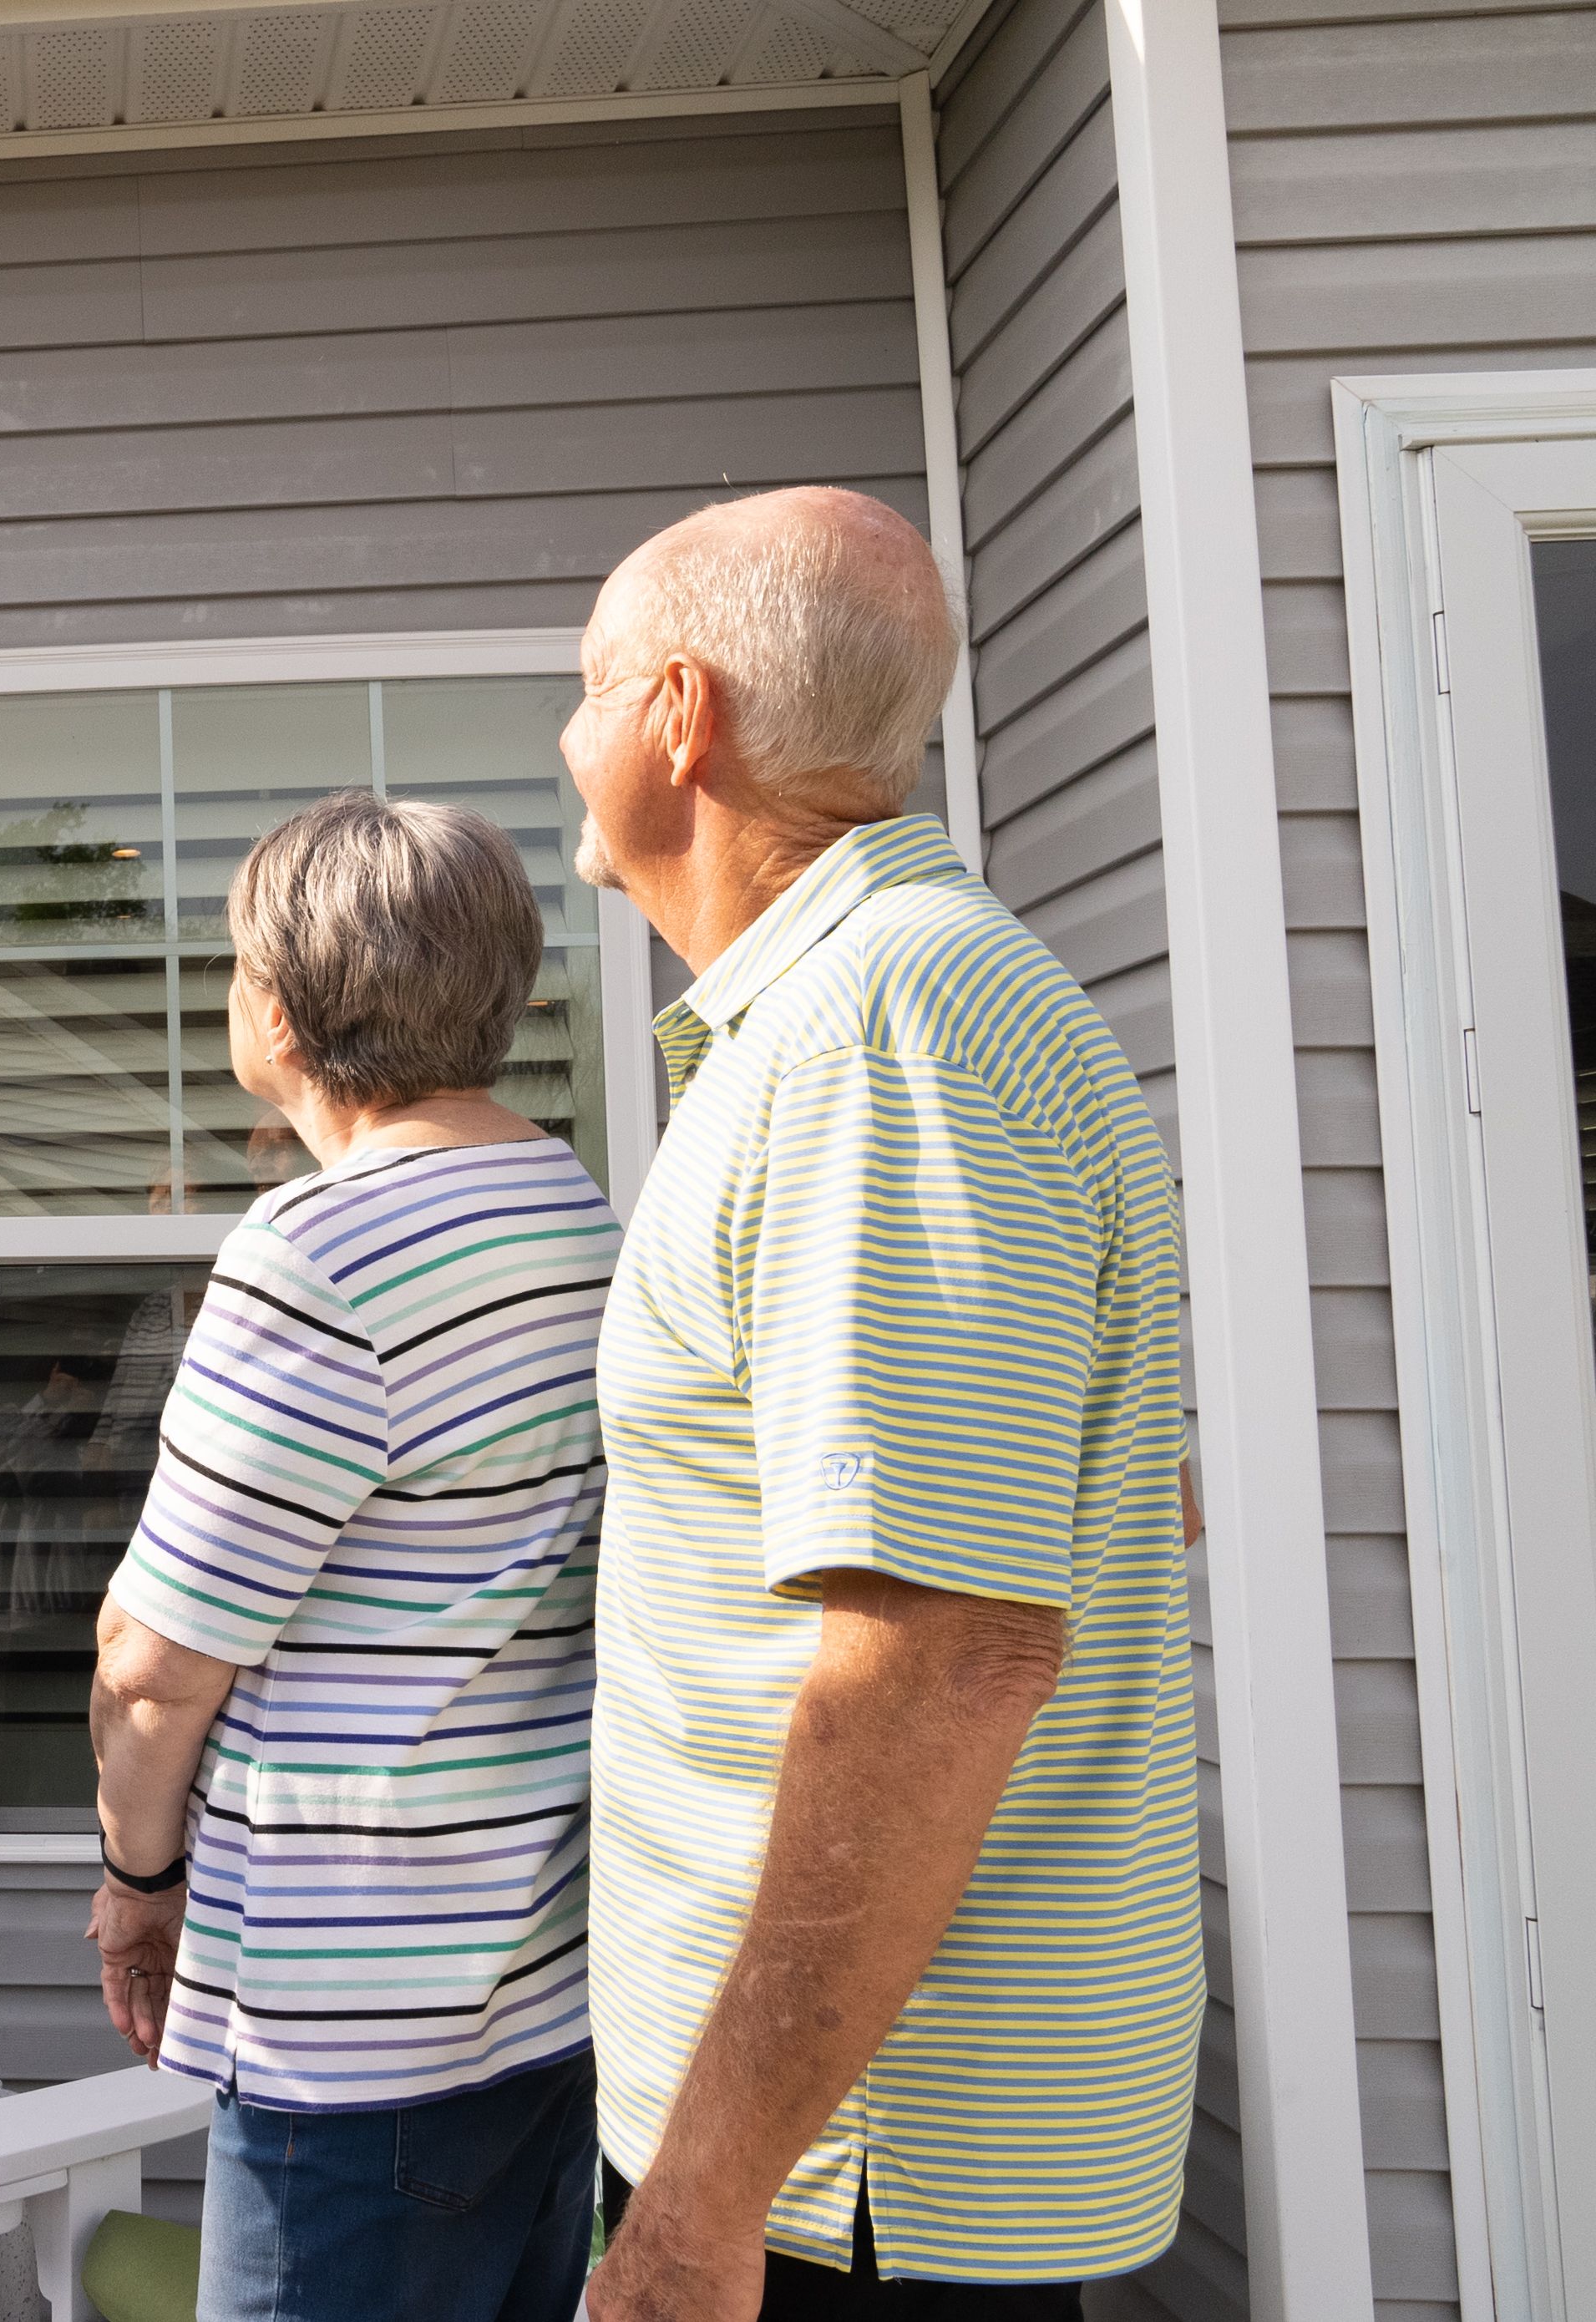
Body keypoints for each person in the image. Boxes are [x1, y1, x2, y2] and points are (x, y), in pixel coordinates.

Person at [567, 490, 1198, 2321]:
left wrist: (697, 2205)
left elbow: (939, 1656)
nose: (564, 734)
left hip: (843, 2174)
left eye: (589, 686)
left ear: (678, 715)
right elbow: (1105, 1506)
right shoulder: (867, 1017)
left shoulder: (876, 1035)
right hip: (829, 2148)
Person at [85, 790, 621, 2322]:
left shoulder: (315, 1253)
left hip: (355, 2038)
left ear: (279, 1007)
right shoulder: (577, 1214)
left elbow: (151, 1668)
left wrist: (138, 1875)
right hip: (548, 1984)